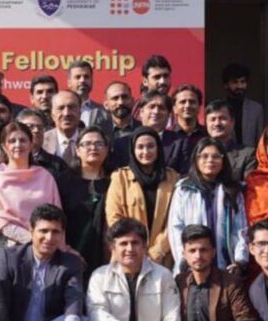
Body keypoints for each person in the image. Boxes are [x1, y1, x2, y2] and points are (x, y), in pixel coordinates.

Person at [166, 137, 249, 276]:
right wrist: (185, 260)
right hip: (192, 266)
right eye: (204, 156)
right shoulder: (184, 188)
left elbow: (240, 228)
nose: (210, 160)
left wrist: (239, 261)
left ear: (223, 161)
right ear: (196, 159)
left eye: (216, 156)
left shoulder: (233, 190)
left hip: (225, 265)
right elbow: (175, 227)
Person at [105, 126, 179, 270]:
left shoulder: (172, 178)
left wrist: (157, 250)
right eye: (140, 147)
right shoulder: (120, 177)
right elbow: (114, 217)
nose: (146, 151)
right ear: (133, 150)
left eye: (151, 146)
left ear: (158, 148)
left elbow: (175, 219)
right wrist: (135, 247)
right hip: (127, 254)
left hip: (162, 257)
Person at [0, 122, 62, 258]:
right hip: (7, 245)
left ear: (31, 144)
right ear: (4, 146)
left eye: (23, 140)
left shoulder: (45, 176)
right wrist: (32, 240)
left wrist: (44, 241)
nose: (18, 145)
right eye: (12, 141)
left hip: (45, 243)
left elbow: (57, 215)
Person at [55, 126, 112, 278]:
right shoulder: (63, 182)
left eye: (99, 144)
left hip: (106, 256)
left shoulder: (115, 182)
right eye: (87, 144)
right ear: (78, 150)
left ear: (107, 150)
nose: (93, 148)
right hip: (69, 254)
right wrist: (66, 249)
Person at [109, 89, 171, 170]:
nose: (156, 111)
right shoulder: (122, 144)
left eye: (161, 108)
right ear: (141, 112)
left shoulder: (181, 143)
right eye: (151, 107)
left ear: (169, 114)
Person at [204, 100, 256, 183]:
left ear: (232, 122)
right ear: (206, 123)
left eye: (222, 118)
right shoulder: (198, 153)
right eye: (212, 119)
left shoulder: (248, 155)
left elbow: (249, 186)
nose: (217, 123)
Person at [163, 84, 208, 175]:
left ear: (199, 107)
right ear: (174, 108)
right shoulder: (165, 137)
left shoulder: (208, 136)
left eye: (192, 102)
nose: (187, 105)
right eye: (182, 102)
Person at [221, 62, 265, 148]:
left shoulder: (256, 109)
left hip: (250, 155)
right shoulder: (217, 108)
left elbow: (260, 140)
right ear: (226, 85)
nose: (239, 86)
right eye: (235, 82)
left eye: (242, 82)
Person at [66, 60, 113, 137]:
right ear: (69, 83)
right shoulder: (60, 111)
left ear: (92, 81)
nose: (82, 80)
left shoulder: (104, 112)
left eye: (86, 77)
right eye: (78, 77)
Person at [17, 109, 69, 174]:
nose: (36, 130)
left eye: (40, 127)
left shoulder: (57, 165)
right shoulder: (8, 162)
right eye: (30, 126)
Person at [42, 90, 84, 169]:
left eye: (72, 107)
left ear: (80, 113)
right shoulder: (42, 142)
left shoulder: (91, 140)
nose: (66, 113)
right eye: (60, 108)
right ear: (52, 115)